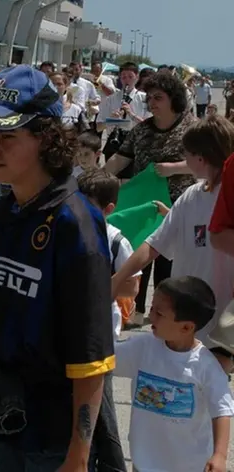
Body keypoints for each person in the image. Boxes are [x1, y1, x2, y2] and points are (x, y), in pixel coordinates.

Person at [0, 65, 116, 471]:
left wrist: (78, 456)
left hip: (51, 437)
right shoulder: (5, 208)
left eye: (7, 137)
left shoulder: (75, 222)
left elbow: (92, 351)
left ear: (47, 138)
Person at [113, 116, 234, 345]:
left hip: (220, 327)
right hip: (184, 320)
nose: (184, 160)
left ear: (201, 158)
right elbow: (154, 244)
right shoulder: (191, 196)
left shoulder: (227, 199)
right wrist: (117, 279)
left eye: (186, 154)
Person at [113, 276, 233, 472]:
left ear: (186, 327)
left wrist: (219, 455)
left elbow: (222, 410)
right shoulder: (143, 348)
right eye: (151, 309)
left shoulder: (205, 366)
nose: (151, 317)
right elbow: (107, 359)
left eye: (159, 313)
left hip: (189, 467)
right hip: (143, 464)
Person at [105, 71, 197, 323]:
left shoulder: (191, 128)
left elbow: (206, 162)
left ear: (173, 99)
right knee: (139, 256)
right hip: (145, 207)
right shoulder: (141, 131)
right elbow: (121, 159)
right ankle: (137, 311)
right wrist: (97, 178)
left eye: (159, 97)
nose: (152, 102)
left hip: (178, 206)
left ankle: (165, 315)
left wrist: (174, 168)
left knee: (169, 263)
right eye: (149, 98)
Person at [77, 169, 139, 472]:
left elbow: (132, 286)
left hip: (100, 338)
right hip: (68, 333)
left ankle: (112, 465)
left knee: (101, 410)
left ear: (108, 209)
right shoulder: (69, 231)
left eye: (89, 205)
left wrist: (95, 284)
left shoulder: (115, 241)